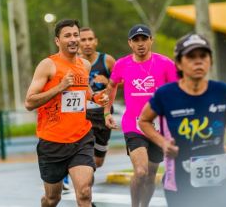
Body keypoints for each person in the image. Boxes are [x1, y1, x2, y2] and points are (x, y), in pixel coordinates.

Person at [138, 33, 226, 206]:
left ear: (210, 61)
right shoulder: (165, 94)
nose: (198, 61)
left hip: (217, 181)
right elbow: (143, 121)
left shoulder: (222, 91)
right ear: (179, 64)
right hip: (179, 182)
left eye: (203, 56)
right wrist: (163, 143)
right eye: (191, 56)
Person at [24, 19, 108, 207]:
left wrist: (95, 98)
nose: (73, 39)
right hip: (52, 142)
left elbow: (84, 91)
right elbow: (29, 102)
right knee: (53, 199)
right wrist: (60, 87)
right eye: (67, 35)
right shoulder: (48, 65)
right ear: (57, 41)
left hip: (81, 138)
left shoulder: (84, 65)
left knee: (85, 193)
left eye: (75, 35)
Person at [105, 24, 177, 207]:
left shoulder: (166, 64)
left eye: (144, 39)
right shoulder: (122, 64)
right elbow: (112, 85)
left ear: (151, 40)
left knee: (151, 174)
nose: (140, 43)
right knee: (141, 171)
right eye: (136, 40)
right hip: (133, 124)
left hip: (158, 127)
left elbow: (177, 91)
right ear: (130, 43)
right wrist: (107, 111)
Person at [63, 27, 116, 191]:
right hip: (82, 114)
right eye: (83, 40)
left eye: (90, 39)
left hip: (103, 115)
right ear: (78, 43)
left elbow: (120, 83)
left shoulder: (107, 61)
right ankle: (78, 186)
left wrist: (107, 81)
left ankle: (83, 183)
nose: (86, 43)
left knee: (97, 161)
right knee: (82, 153)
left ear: (96, 41)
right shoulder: (73, 62)